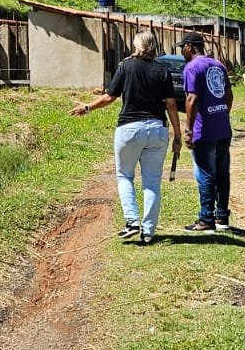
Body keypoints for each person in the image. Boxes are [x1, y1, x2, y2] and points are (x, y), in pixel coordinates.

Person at [71, 30, 182, 245]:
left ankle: (132, 221)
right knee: (152, 182)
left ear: (136, 45)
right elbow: (170, 105)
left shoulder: (126, 66)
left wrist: (88, 107)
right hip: (157, 129)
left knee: (124, 176)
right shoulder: (163, 69)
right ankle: (148, 232)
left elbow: (109, 97)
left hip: (129, 129)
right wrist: (177, 135)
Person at [181, 30, 234, 233]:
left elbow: (192, 99)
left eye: (183, 47)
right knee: (222, 173)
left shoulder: (192, 67)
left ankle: (206, 219)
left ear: (190, 47)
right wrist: (223, 114)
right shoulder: (218, 65)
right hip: (223, 128)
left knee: (206, 174)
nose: (182, 51)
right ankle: (222, 217)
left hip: (204, 131)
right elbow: (229, 95)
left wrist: (189, 130)